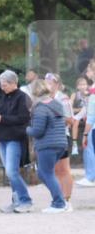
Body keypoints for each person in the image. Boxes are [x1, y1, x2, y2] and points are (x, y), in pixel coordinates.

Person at [0, 70, 33, 213]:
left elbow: (24, 119)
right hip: (3, 138)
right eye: (1, 84)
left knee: (11, 171)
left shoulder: (22, 97)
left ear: (14, 83)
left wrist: (1, 119)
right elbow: (4, 116)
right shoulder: (4, 97)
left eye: (5, 84)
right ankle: (16, 201)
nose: (2, 87)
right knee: (10, 173)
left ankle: (26, 200)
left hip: (15, 138)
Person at [26, 78, 70, 213]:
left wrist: (26, 129)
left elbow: (38, 131)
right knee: (45, 173)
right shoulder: (56, 103)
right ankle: (60, 201)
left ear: (34, 92)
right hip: (61, 143)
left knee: (46, 173)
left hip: (47, 145)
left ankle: (59, 203)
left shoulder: (40, 108)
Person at [45, 73, 74, 208]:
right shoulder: (43, 99)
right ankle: (58, 199)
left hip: (62, 136)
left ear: (57, 84)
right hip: (49, 138)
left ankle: (66, 199)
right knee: (54, 170)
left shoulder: (63, 99)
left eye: (50, 82)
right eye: (46, 81)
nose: (47, 84)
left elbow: (70, 120)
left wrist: (52, 119)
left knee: (64, 169)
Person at [70, 76, 89, 157]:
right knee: (76, 121)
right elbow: (70, 107)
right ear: (77, 86)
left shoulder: (90, 94)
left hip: (88, 116)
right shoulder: (74, 95)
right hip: (78, 116)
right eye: (80, 85)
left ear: (87, 85)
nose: (82, 86)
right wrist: (79, 110)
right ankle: (74, 144)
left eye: (84, 84)